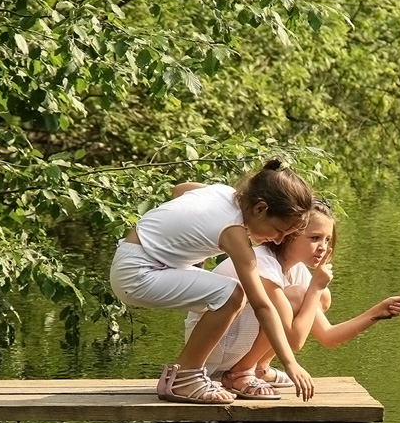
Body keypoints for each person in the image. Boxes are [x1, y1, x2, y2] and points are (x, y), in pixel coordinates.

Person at [110, 158, 316, 404]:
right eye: (279, 230)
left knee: (227, 292)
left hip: (135, 260)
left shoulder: (224, 192)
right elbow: (262, 306)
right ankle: (185, 378)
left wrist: (187, 246)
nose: (279, 240)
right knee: (232, 294)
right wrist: (291, 363)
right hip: (138, 272)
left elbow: (180, 190)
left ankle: (231, 371)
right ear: (260, 208)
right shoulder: (233, 231)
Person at [185, 199, 400, 398]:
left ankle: (259, 366)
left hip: (235, 345)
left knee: (319, 297)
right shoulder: (261, 262)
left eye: (327, 239)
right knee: (302, 295)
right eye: (314, 238)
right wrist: (314, 288)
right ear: (288, 235)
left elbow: (329, 338)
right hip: (214, 353)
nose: (323, 247)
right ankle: (240, 372)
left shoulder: (296, 270)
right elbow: (295, 340)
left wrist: (377, 313)